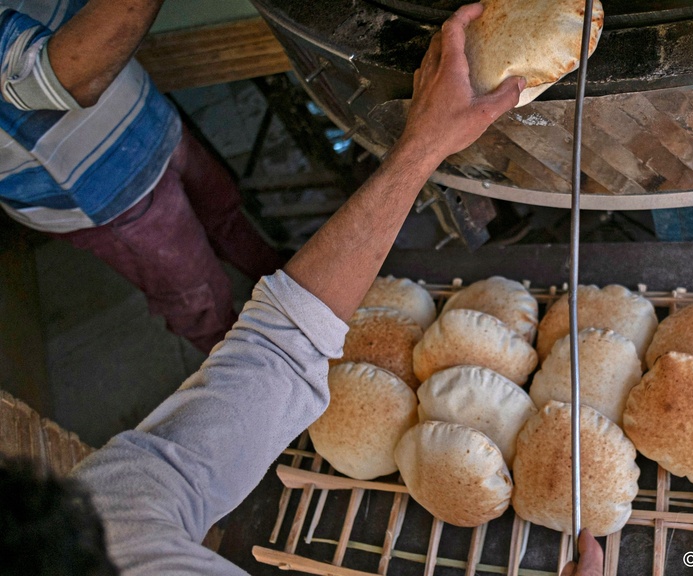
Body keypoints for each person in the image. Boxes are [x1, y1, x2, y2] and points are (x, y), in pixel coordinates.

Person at [3, 4, 606, 575]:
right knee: (191, 293)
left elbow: (279, 347)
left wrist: (423, 145)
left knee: (223, 219)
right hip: (89, 194)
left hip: (136, 127)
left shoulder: (110, 517)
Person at [0, 0, 283, 354]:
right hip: (103, 189)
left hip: (146, 116)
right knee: (197, 298)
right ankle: (249, 368)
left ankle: (286, 294)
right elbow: (63, 78)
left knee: (225, 216)